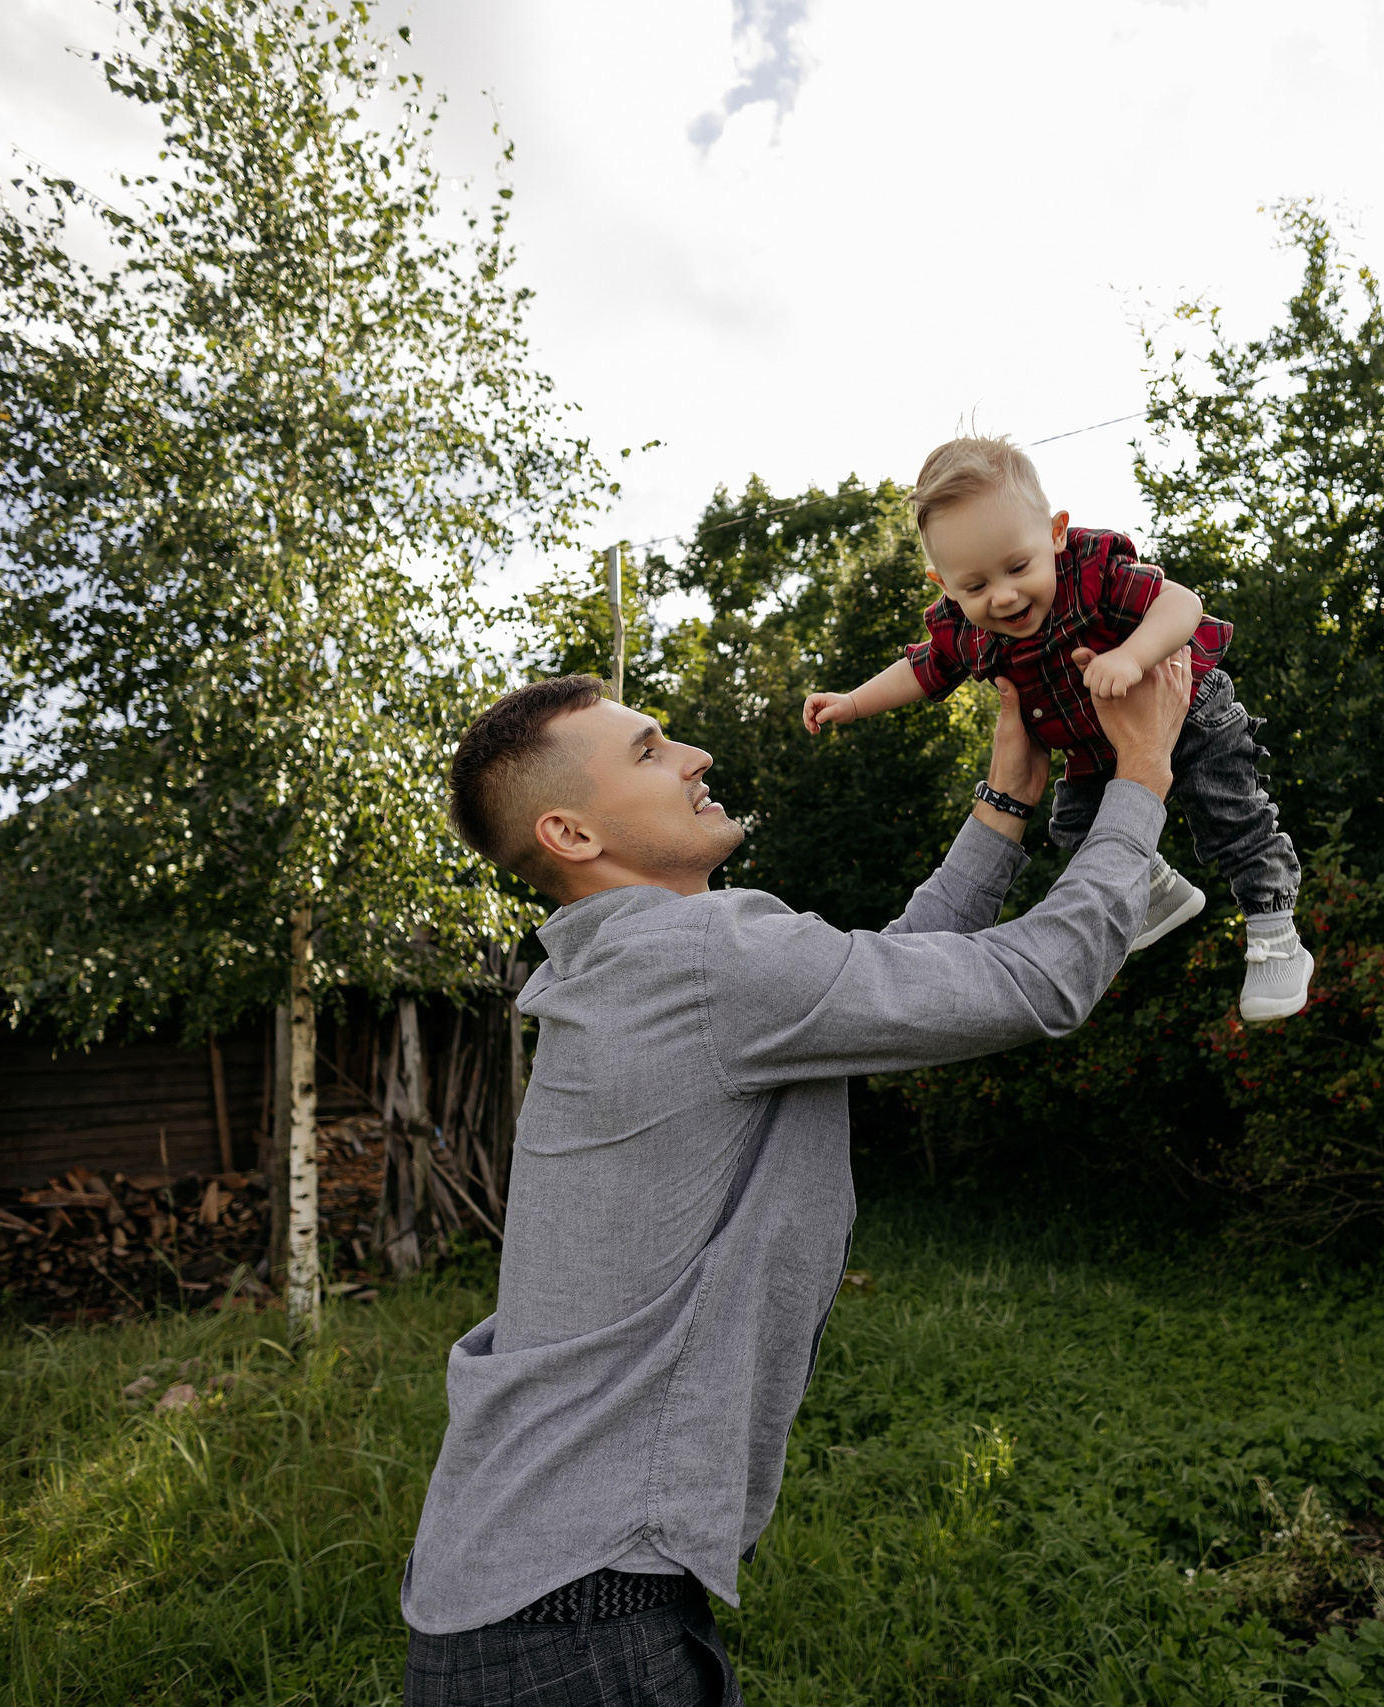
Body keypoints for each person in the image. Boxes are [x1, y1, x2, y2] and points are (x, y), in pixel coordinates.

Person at [403, 650, 1194, 1706]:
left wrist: (1005, 805)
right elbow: (1036, 982)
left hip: (525, 1598)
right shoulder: (699, 956)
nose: (695, 755)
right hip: (578, 1625)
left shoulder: (626, 965)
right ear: (573, 834)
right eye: (650, 751)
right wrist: (1141, 776)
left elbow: (881, 987)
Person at [800, 435, 1313, 1023]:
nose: (1004, 596)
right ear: (943, 584)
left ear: (1055, 533)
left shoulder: (1091, 571)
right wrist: (853, 702)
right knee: (1073, 825)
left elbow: (1182, 603)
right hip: (1096, 748)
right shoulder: (964, 630)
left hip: (1190, 710)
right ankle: (1157, 890)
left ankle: (1275, 933)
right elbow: (921, 669)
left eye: (1018, 567)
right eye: (976, 586)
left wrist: (1133, 656)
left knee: (1231, 817)